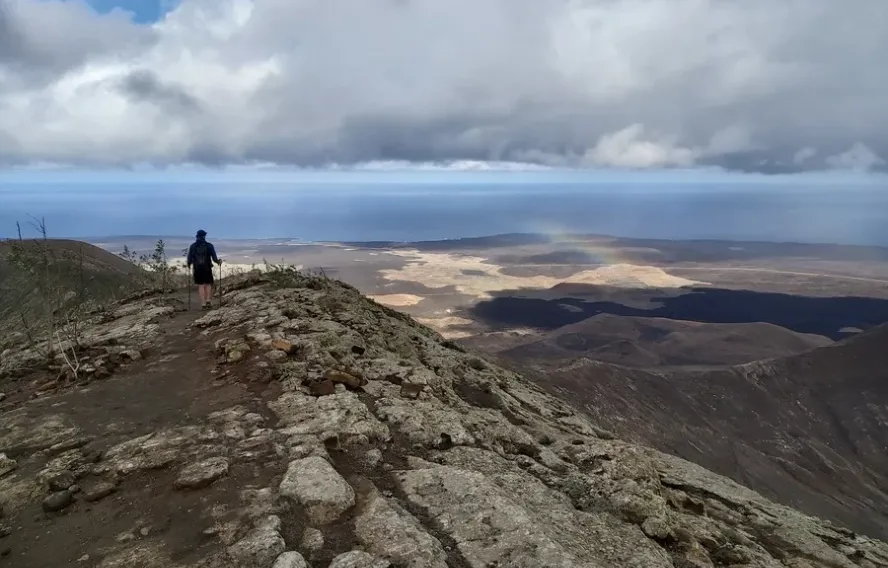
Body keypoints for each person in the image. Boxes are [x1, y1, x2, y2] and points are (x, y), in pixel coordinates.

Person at [186, 229, 222, 309]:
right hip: (207, 267)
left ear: (197, 236)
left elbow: (189, 259)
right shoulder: (209, 245)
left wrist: (189, 264)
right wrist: (218, 262)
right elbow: (215, 258)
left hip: (197, 268)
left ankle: (203, 303)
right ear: (204, 236)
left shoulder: (193, 246)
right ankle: (208, 300)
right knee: (208, 284)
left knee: (201, 285)